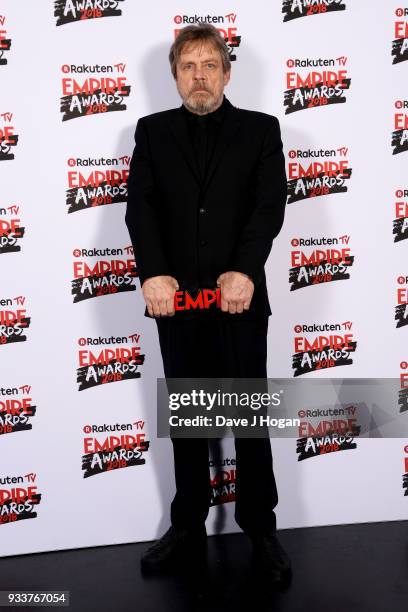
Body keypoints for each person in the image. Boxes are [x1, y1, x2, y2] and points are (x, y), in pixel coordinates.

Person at [125, 23, 291, 588]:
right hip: (177, 304)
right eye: (188, 66)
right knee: (190, 421)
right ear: (174, 75)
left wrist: (245, 270)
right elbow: (140, 209)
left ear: (227, 72)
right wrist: (152, 274)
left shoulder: (261, 130)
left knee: (246, 416)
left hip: (240, 301)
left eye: (210, 65)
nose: (200, 76)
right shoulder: (150, 132)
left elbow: (268, 206)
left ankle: (260, 527)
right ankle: (188, 523)